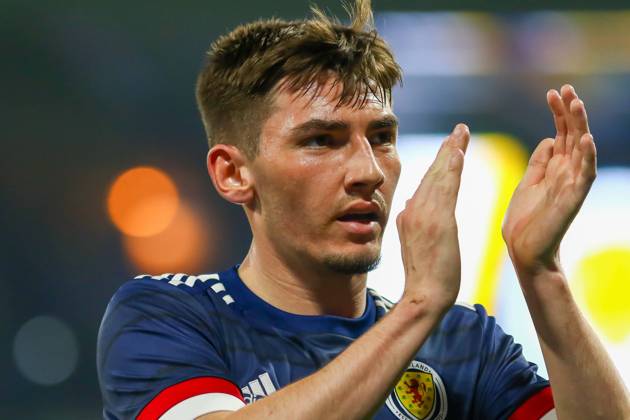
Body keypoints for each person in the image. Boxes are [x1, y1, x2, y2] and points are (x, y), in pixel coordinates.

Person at [97, 1, 630, 419]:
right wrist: (418, 307)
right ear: (233, 174)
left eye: (381, 137)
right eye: (321, 141)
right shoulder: (167, 316)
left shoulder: (463, 344)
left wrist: (541, 271)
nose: (368, 171)